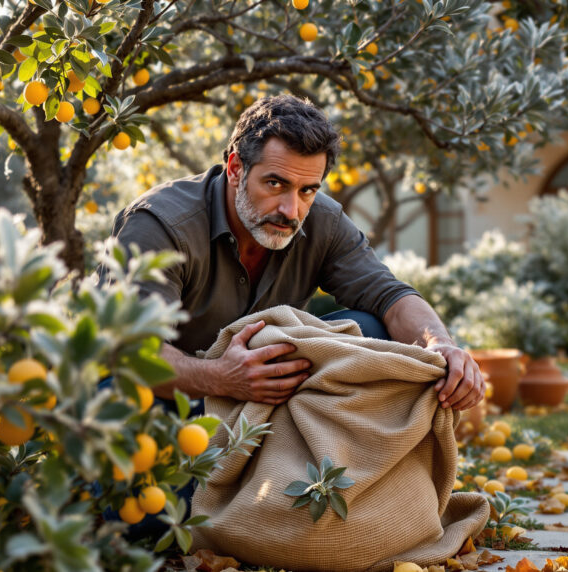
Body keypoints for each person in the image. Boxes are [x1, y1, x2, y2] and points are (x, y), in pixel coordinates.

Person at [99, 95, 485, 538]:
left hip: (259, 407)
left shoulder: (321, 221)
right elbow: (130, 353)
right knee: (149, 526)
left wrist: (442, 346)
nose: (291, 210)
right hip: (164, 399)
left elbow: (390, 295)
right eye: (275, 184)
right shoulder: (160, 225)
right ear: (235, 168)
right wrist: (221, 378)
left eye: (307, 190)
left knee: (374, 333)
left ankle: (329, 494)